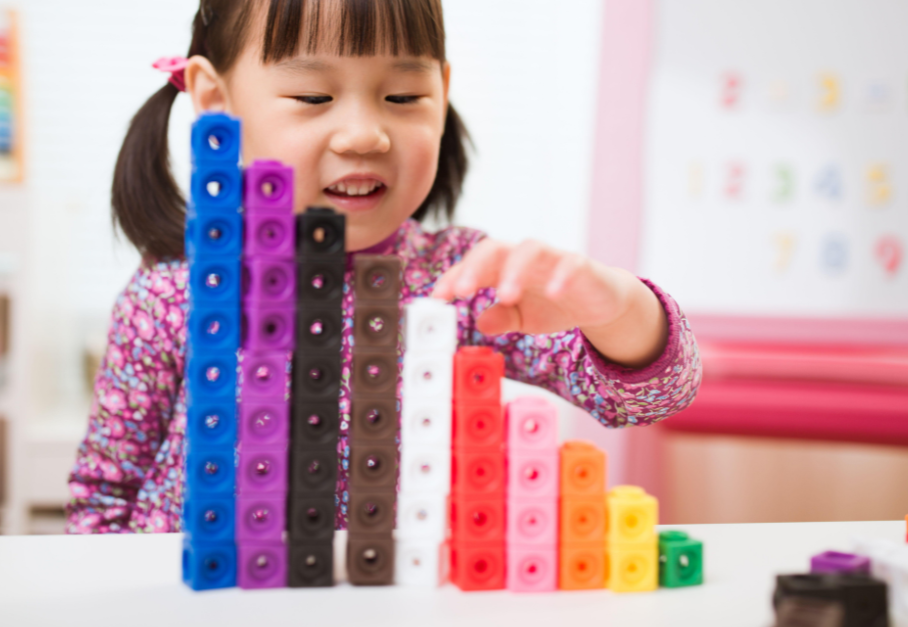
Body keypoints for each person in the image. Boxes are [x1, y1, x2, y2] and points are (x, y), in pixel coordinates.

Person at [66, 0, 701, 534]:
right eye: (313, 95)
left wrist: (615, 307)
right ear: (216, 101)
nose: (366, 134)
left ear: (443, 95)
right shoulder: (171, 293)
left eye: (404, 95)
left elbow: (649, 395)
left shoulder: (460, 279)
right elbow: (101, 498)